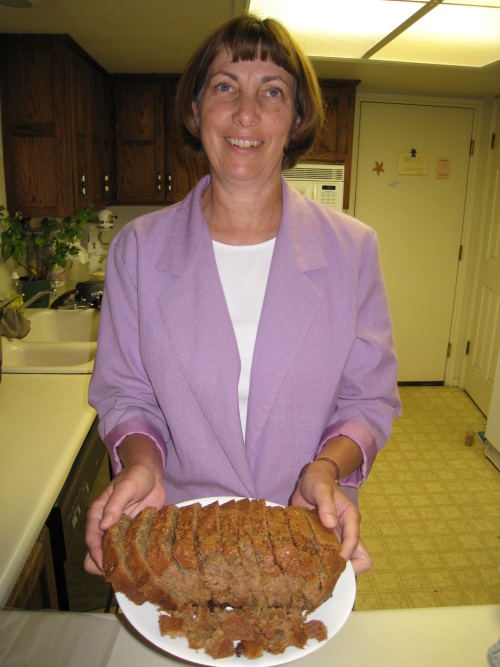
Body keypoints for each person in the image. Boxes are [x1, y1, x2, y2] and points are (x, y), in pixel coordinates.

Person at [85, 14, 401, 578]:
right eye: (226, 86)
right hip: (182, 540)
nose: (246, 113)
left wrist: (327, 468)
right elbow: (128, 395)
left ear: (297, 118)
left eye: (272, 91)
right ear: (195, 109)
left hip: (306, 532)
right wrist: (139, 465)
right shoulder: (137, 250)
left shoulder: (353, 250)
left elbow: (368, 401)